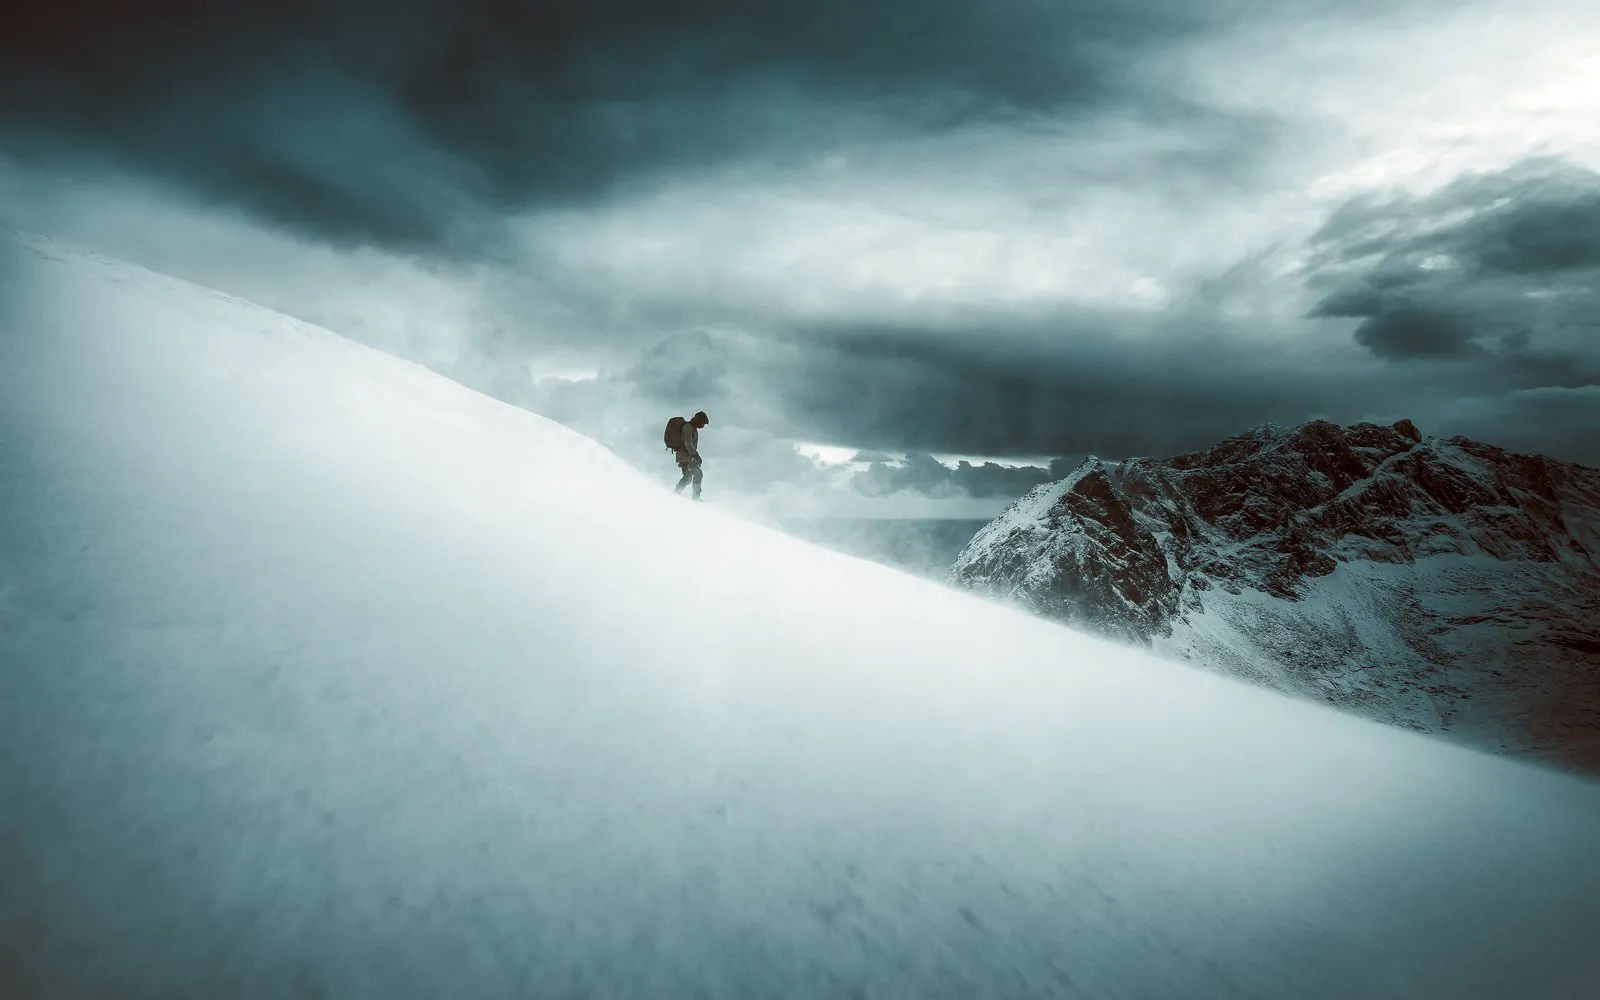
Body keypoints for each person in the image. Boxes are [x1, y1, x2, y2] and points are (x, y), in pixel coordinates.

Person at [673, 410, 709, 500]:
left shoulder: (692, 428)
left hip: (687, 456)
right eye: (702, 423)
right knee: (695, 475)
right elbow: (688, 443)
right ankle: (693, 498)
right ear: (697, 420)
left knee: (689, 476)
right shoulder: (688, 427)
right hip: (684, 457)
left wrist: (694, 456)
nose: (702, 426)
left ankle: (676, 495)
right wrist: (696, 455)